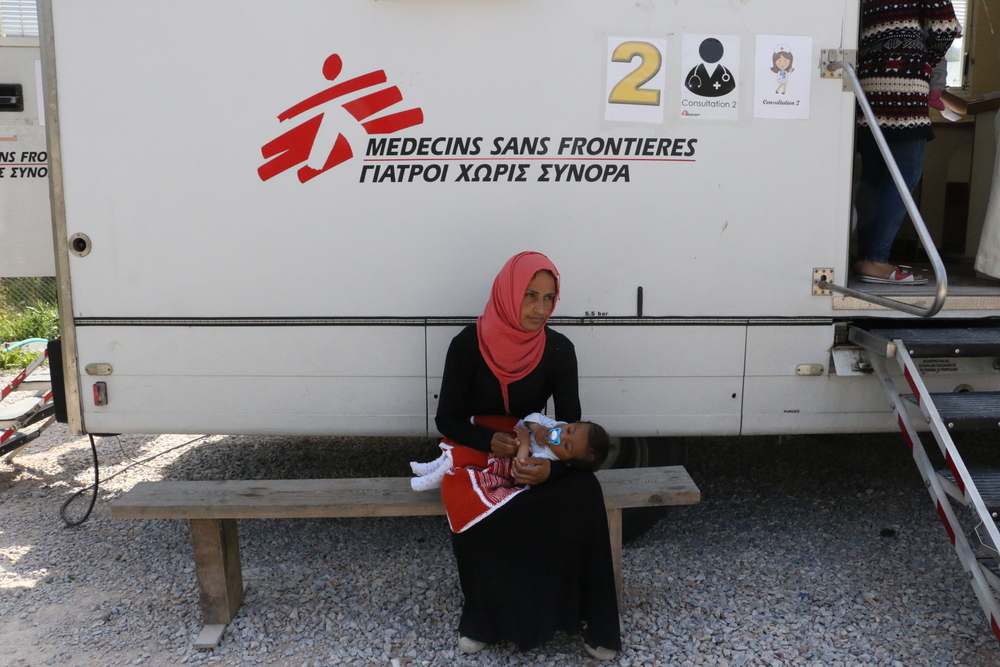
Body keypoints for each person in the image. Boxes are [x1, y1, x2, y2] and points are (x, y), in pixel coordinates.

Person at [434, 251, 621, 660]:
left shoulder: (558, 348)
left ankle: (591, 619)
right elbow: (445, 419)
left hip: (536, 452)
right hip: (474, 453)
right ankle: (482, 619)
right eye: (530, 295)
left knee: (586, 488)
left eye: (549, 298)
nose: (539, 309)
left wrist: (548, 470)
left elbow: (568, 423)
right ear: (508, 293)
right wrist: (488, 440)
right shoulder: (466, 345)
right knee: (478, 508)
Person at [853, 0, 961, 285]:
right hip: (903, 82)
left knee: (873, 177)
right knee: (905, 173)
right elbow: (944, 28)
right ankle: (875, 259)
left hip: (867, 82)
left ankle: (865, 256)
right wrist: (925, 60)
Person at [408, 412, 610, 492]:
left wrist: (524, 443)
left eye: (567, 446)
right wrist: (537, 428)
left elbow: (521, 467)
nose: (562, 435)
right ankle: (433, 465)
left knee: (465, 457)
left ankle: (433, 479)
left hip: (504, 464)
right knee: (466, 441)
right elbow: (534, 416)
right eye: (570, 430)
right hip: (507, 442)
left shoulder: (548, 457)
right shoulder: (554, 426)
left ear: (567, 461)